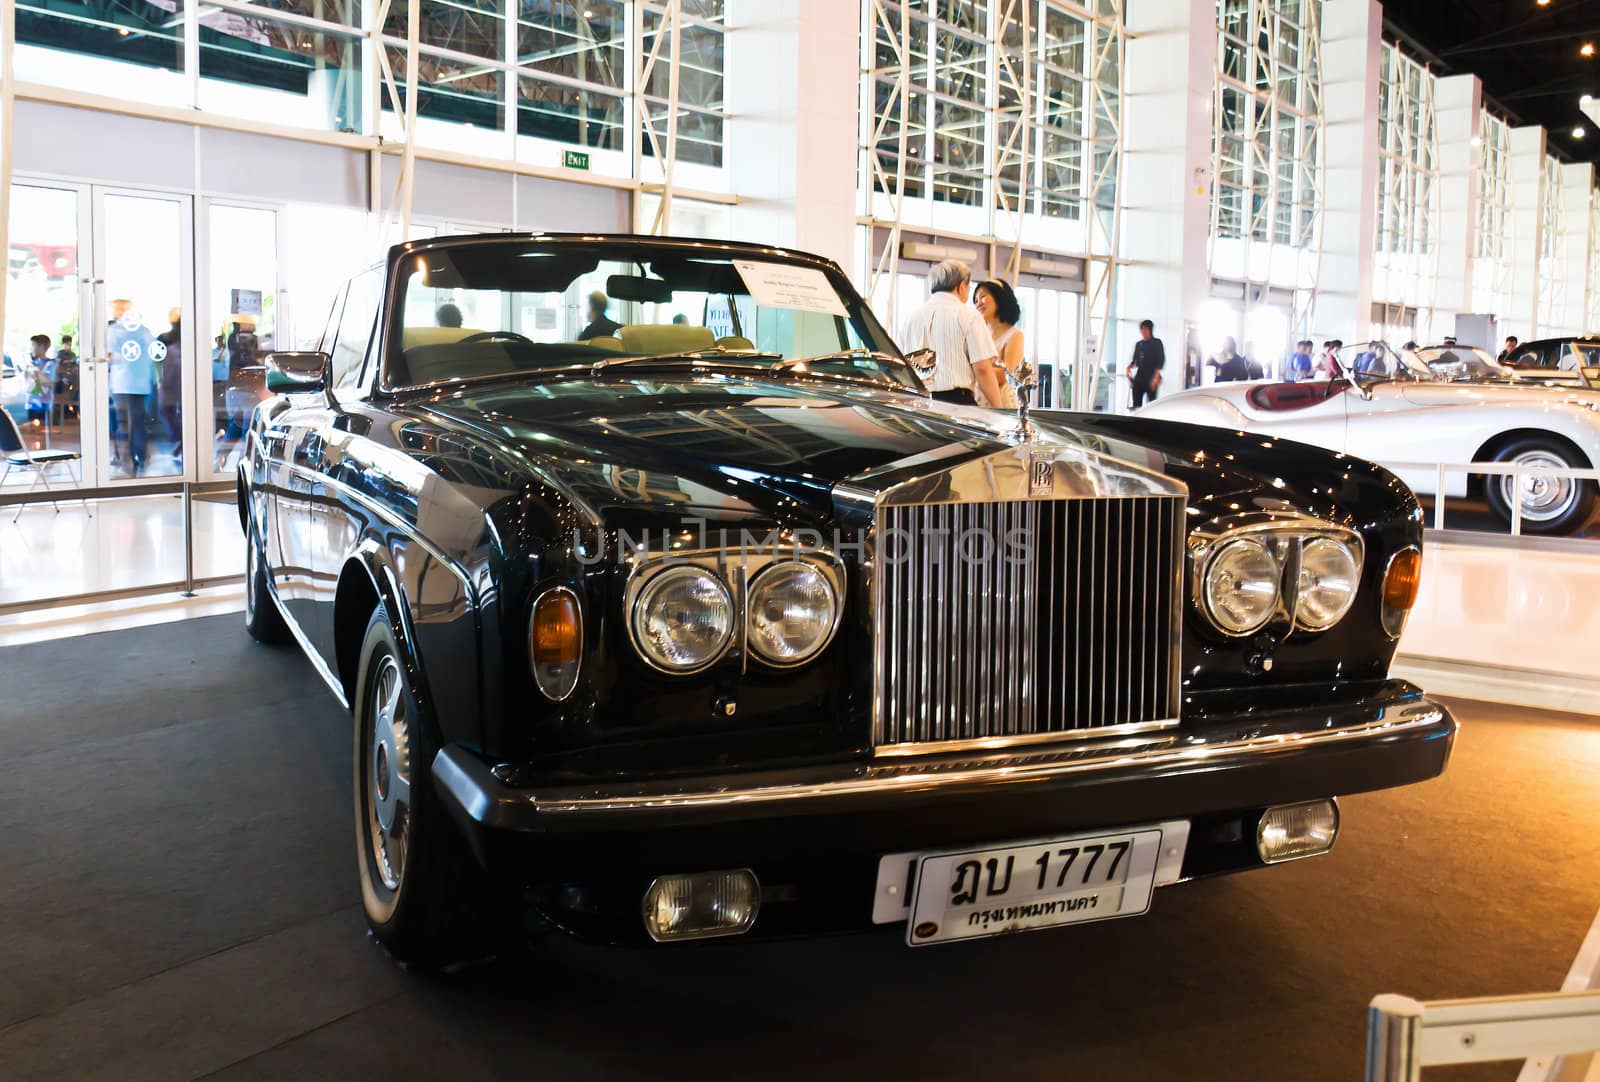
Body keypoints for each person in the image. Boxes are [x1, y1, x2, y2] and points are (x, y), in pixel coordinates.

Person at [898, 260, 1004, 407]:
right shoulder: (968, 315)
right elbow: (983, 369)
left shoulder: (910, 319)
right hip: (957, 404)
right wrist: (1000, 410)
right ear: (961, 286)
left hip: (918, 404)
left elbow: (901, 367)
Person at [107, 299, 157, 476]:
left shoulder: (114, 331)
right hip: (140, 383)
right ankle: (140, 458)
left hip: (123, 383)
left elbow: (110, 356)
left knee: (124, 422)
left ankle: (127, 460)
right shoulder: (144, 331)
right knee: (137, 422)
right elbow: (153, 354)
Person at [973, 279, 1026, 410]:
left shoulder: (1015, 335)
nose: (978, 303)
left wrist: (976, 370)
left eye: (983, 296)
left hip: (1001, 403)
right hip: (976, 401)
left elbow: (1004, 376)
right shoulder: (978, 334)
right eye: (975, 300)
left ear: (999, 297)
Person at [158, 308, 182, 464]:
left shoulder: (171, 347)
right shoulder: (183, 345)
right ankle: (180, 442)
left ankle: (179, 440)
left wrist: (163, 384)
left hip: (174, 389)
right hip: (179, 388)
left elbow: (168, 374)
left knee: (167, 411)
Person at [1123, 318, 1165, 408]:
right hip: (1140, 377)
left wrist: (1156, 377)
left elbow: (1160, 360)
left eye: (1145, 329)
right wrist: (1128, 367)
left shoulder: (1157, 343)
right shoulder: (1139, 344)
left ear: (1150, 330)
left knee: (1151, 405)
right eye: (1142, 329)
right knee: (1136, 404)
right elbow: (1134, 360)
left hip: (1151, 377)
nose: (1143, 332)